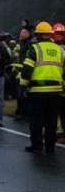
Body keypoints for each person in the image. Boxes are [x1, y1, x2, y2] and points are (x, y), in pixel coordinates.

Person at [20, 22, 64, 155]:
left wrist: (23, 86)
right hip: (55, 92)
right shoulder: (60, 50)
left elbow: (27, 70)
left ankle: (37, 146)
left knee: (36, 120)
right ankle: (50, 147)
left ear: (37, 35)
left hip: (37, 92)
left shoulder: (35, 49)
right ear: (50, 34)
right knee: (51, 122)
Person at [11, 27, 33, 120]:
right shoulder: (20, 44)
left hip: (26, 71)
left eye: (24, 32)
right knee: (19, 94)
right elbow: (15, 56)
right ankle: (20, 111)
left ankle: (25, 113)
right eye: (21, 32)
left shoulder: (30, 44)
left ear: (29, 34)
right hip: (19, 71)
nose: (21, 34)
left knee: (25, 94)